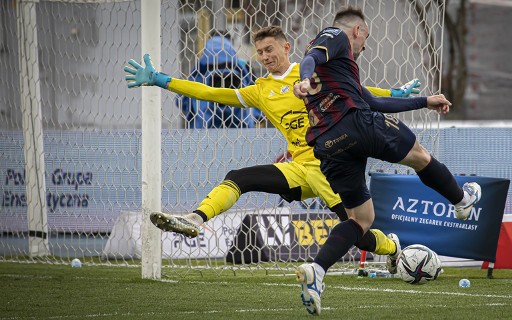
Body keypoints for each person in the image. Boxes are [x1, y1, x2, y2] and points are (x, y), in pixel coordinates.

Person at [124, 26, 422, 267]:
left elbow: (357, 91)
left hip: (330, 166)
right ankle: (194, 218)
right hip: (298, 168)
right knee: (240, 177)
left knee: (358, 231)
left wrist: (394, 94)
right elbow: (210, 92)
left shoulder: (311, 75)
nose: (265, 56)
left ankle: (392, 246)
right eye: (260, 52)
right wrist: (162, 81)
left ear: (286, 47)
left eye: (269, 49)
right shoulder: (260, 90)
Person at [291, 7, 482, 315]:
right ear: (357, 32)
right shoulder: (336, 35)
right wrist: (302, 80)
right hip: (355, 124)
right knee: (420, 156)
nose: (365, 46)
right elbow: (310, 58)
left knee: (361, 220)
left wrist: (424, 101)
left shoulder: (340, 76)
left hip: (327, 144)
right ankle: (462, 200)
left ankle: (317, 272)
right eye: (365, 37)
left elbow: (376, 101)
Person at [179, 33, 262, 128]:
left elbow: (183, 101)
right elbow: (258, 99)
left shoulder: (198, 68)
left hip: (204, 130)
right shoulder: (243, 66)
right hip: (241, 129)